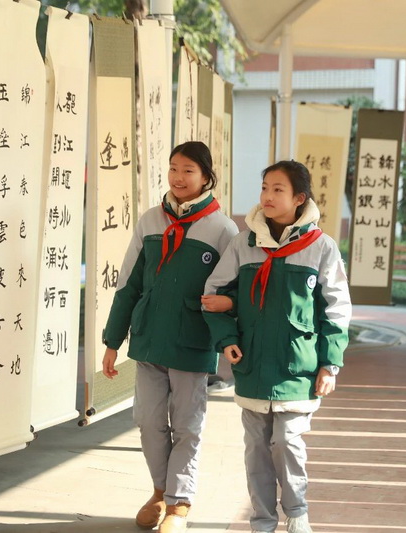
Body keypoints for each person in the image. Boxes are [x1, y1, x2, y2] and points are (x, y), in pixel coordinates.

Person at [202, 160, 352, 533]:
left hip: (297, 368)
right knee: (256, 449)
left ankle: (297, 513)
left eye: (278, 189)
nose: (267, 196)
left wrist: (329, 365)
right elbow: (214, 293)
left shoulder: (322, 247)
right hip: (252, 366)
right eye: (265, 188)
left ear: (300, 198)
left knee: (286, 441)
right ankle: (262, 521)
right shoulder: (243, 243)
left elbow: (336, 309)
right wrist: (227, 339)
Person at [101, 141, 239, 533]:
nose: (178, 177)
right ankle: (159, 492)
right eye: (174, 168)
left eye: (188, 170)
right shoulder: (150, 220)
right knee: (148, 421)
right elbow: (129, 284)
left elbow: (231, 291)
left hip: (192, 344)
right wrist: (113, 340)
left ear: (206, 177)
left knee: (187, 426)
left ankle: (180, 503)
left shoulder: (223, 229)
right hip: (148, 340)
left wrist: (227, 337)